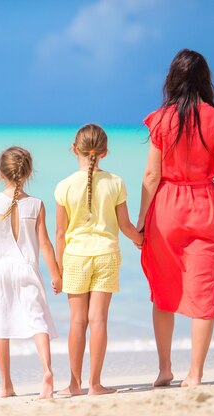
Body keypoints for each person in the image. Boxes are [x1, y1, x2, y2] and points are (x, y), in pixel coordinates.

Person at [137, 49, 214, 387]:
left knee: (163, 291)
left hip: (166, 208)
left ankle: (165, 369)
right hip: (204, 207)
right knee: (204, 292)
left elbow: (151, 175)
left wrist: (141, 220)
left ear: (173, 78)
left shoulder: (161, 118)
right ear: (204, 79)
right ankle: (195, 374)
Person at [55, 124, 143, 396]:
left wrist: (58, 270)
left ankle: (73, 385)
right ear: (104, 152)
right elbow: (126, 225)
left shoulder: (64, 186)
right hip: (106, 255)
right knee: (99, 321)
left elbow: (60, 233)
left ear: (74, 149)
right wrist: (140, 240)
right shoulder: (116, 182)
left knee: (77, 322)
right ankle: (95, 384)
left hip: (75, 257)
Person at [0, 146, 61, 399]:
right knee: (39, 322)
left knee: (1, 329)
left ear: (1, 173)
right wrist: (55, 274)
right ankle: (46, 370)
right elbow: (45, 244)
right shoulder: (37, 205)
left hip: (0, 271)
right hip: (27, 270)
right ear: (28, 172)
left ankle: (6, 385)